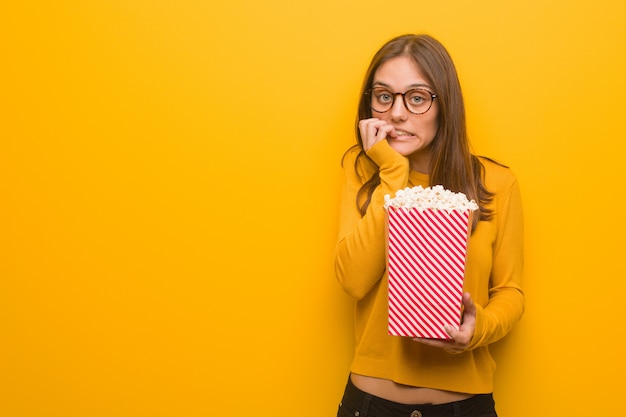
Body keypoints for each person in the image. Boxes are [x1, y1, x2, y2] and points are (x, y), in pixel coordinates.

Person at [334, 34, 524, 417]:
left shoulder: (495, 184)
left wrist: (478, 328)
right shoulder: (364, 173)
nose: (397, 113)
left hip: (464, 406)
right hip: (370, 405)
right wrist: (392, 171)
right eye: (384, 96)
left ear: (445, 105)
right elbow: (353, 280)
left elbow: (510, 292)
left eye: (417, 97)